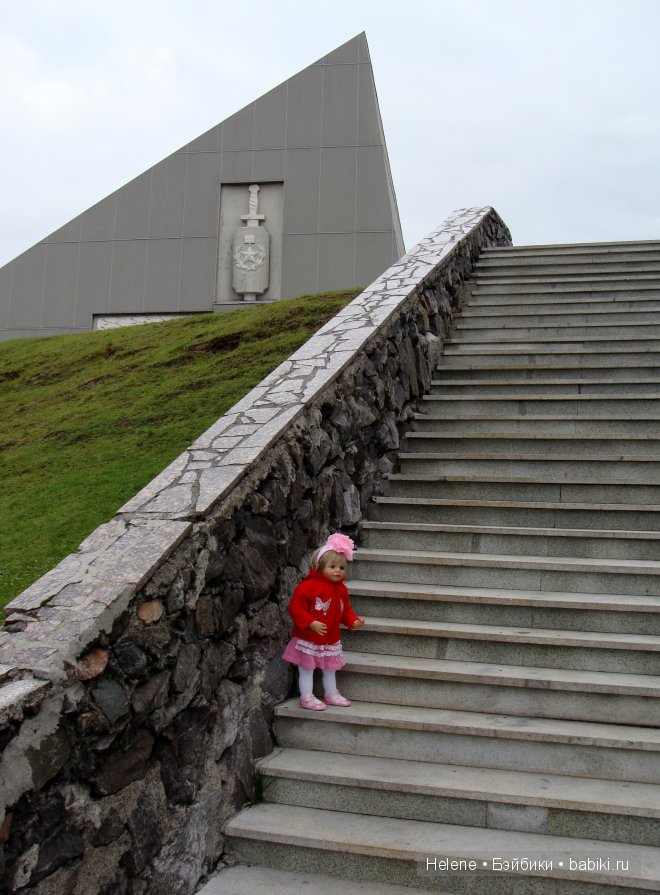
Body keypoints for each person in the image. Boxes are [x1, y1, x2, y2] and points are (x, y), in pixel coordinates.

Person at [282, 532, 364, 710]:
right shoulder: (307, 587)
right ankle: (306, 697)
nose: (337, 571)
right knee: (307, 669)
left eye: (341, 568)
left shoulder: (341, 589)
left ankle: (331, 693)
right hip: (308, 639)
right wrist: (310, 622)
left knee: (330, 668)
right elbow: (296, 608)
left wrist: (353, 621)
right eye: (332, 567)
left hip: (330, 639)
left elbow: (345, 610)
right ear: (319, 567)